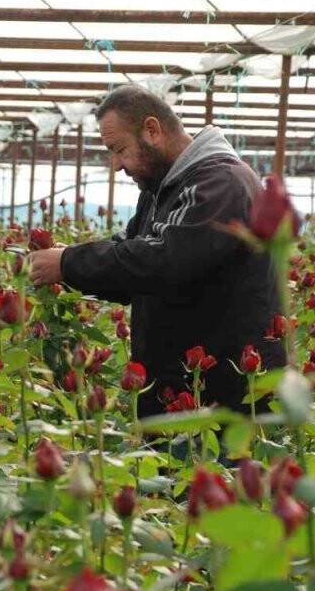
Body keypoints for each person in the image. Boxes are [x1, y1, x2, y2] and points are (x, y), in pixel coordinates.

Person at [27, 84, 286, 418]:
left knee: (218, 470)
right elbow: (132, 248)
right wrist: (68, 258)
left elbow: (165, 259)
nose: (116, 165)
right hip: (185, 391)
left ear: (152, 130)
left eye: (119, 149)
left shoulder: (220, 184)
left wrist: (69, 262)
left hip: (225, 398)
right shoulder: (161, 187)